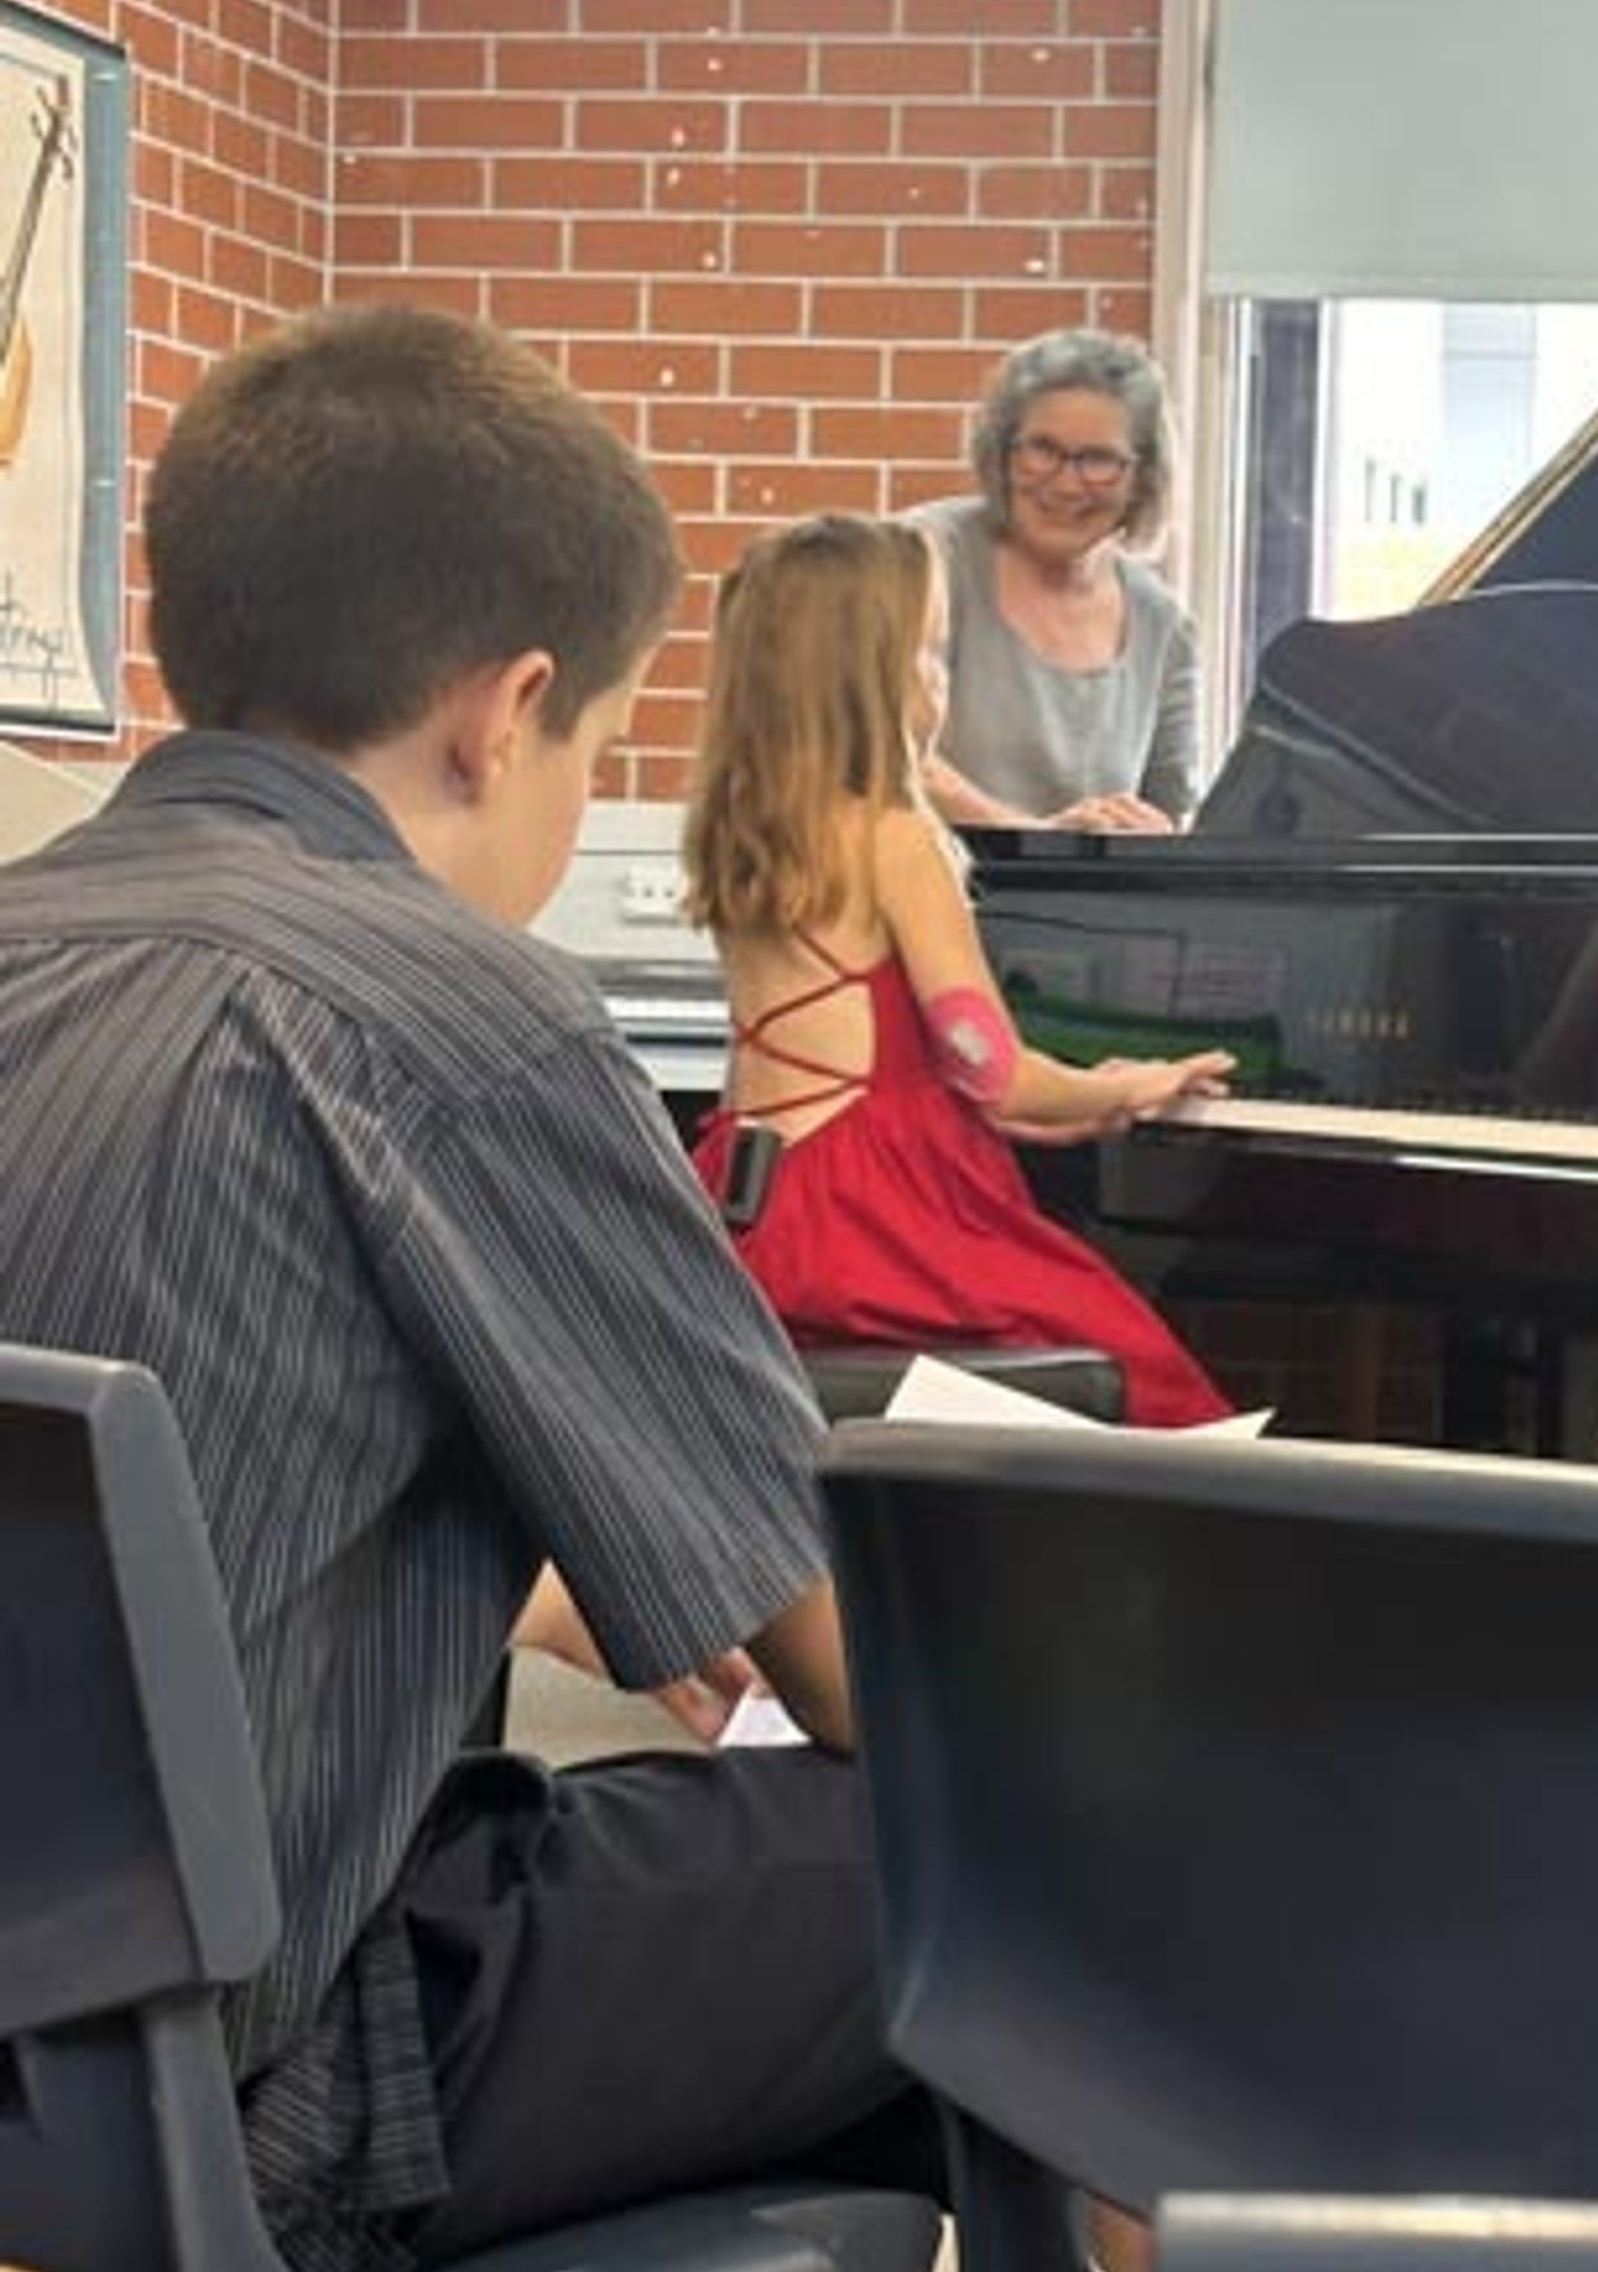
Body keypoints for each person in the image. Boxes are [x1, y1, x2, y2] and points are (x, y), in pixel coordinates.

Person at [0, 305, 938, 2270]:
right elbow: (859, 1676)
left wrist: (516, 1581)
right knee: (1013, 1856)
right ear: (507, 712)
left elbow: (134, 1517)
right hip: (245, 2087)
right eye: (594, 744)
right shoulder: (460, 1018)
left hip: (44, 2033)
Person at [681, 510, 1238, 1429]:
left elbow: (908, 1072)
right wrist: (1129, 1085)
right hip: (879, 1221)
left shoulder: (742, 836)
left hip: (757, 1208)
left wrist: (1053, 1105)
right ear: (869, 676)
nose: (943, 681)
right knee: (1150, 1376)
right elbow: (995, 1072)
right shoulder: (895, 839)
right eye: (932, 654)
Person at [912, 326, 1201, 834]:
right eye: (1042, 450)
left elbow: (1170, 813)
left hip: (1084, 888)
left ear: (1143, 478)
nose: (1067, 484)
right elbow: (877, 754)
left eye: (1098, 460)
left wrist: (1149, 837)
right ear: (1001, 452)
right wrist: (1038, 840)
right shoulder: (922, 557)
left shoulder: (1163, 622)